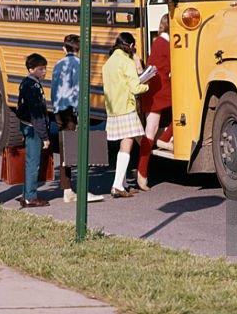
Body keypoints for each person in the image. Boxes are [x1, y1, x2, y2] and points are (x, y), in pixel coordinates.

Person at [50, 35, 102, 205]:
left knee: (66, 150)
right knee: (77, 151)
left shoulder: (57, 65)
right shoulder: (79, 65)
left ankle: (67, 189)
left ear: (64, 49)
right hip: (71, 112)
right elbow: (79, 91)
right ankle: (78, 190)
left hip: (58, 111)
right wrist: (81, 113)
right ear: (79, 50)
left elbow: (54, 90)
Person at [101, 32, 148, 198]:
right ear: (131, 46)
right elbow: (135, 88)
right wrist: (147, 85)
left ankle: (123, 183)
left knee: (125, 144)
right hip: (126, 107)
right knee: (127, 145)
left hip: (113, 108)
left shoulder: (108, 63)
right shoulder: (127, 62)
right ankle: (117, 185)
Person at [137, 15, 172, 191]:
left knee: (150, 131)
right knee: (187, 112)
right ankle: (165, 139)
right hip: (162, 91)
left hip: (154, 91)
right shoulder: (167, 44)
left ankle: (142, 172)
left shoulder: (158, 41)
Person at [15, 53, 49, 208]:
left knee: (30, 162)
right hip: (33, 128)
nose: (44, 72)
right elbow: (38, 115)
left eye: (45, 68)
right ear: (31, 69)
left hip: (26, 125)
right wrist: (45, 136)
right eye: (41, 69)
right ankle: (30, 196)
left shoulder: (25, 83)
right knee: (33, 163)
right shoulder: (33, 87)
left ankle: (25, 194)